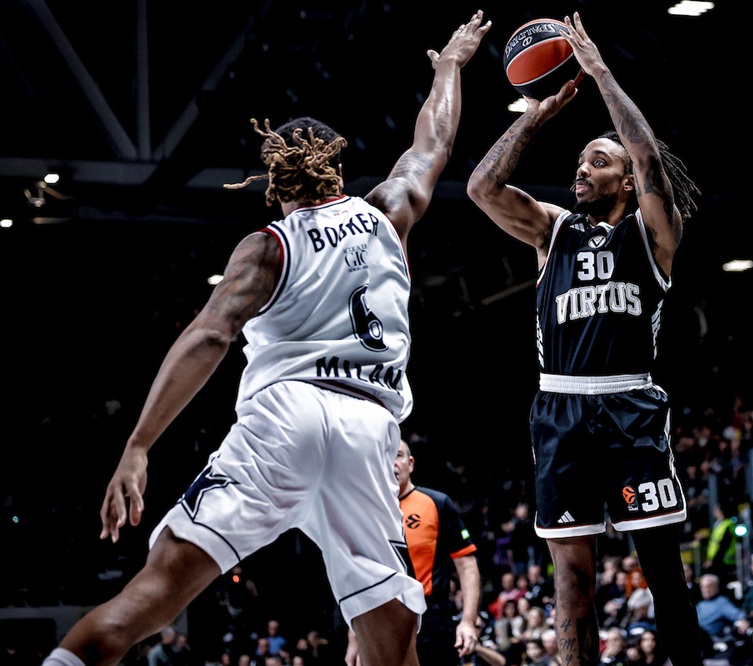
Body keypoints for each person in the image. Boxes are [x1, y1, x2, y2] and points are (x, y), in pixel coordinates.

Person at [37, 11, 491, 666]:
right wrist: (449, 64)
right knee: (393, 648)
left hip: (286, 420)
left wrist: (139, 444)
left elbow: (208, 336)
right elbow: (434, 141)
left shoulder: (268, 248)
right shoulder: (388, 212)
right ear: (337, 175)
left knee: (150, 599)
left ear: (275, 183)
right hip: (369, 430)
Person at [466, 12, 701, 666]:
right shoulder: (553, 231)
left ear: (626, 183)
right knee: (570, 580)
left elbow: (650, 157)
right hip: (560, 409)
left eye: (598, 162)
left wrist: (599, 73)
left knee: (663, 574)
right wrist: (536, 116)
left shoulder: (654, 233)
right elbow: (482, 188)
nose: (582, 170)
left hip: (629, 407)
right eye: (579, 161)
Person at [347, 438, 482, 665]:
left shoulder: (437, 503)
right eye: (384, 457)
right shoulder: (366, 512)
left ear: (410, 464)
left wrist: (468, 621)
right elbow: (358, 579)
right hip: (381, 618)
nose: (392, 463)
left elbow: (467, 566)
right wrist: (355, 638)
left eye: (397, 455)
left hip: (432, 617)